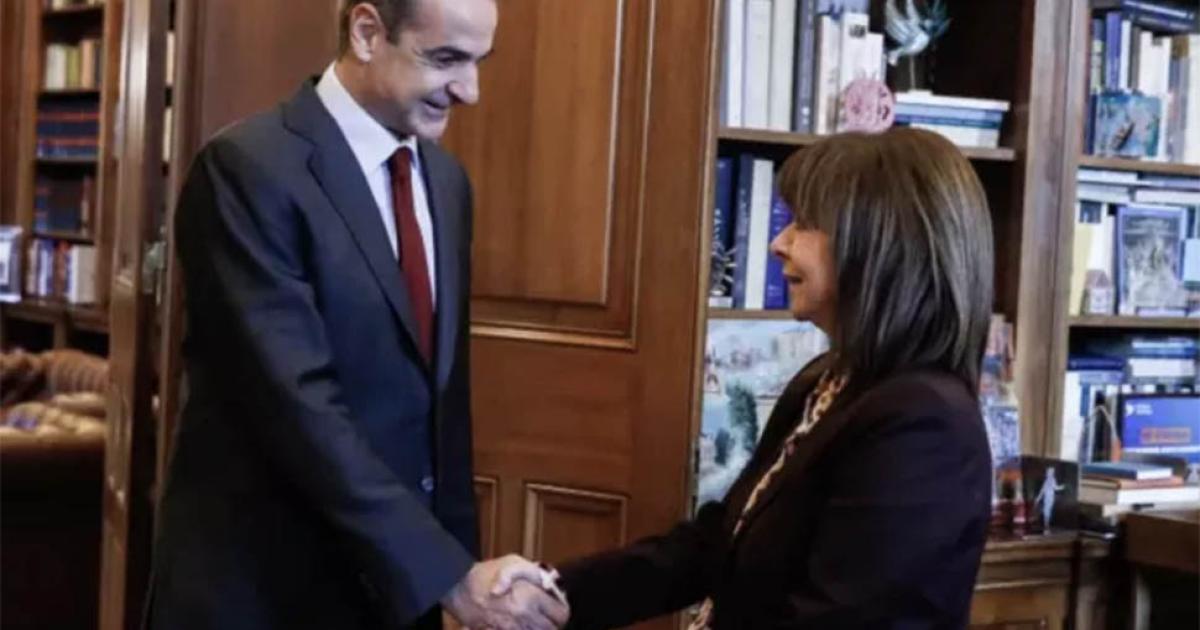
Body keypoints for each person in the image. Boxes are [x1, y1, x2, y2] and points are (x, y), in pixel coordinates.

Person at [146, 1, 566, 629]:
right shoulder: (247, 170)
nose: (470, 91)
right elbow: (297, 407)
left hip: (395, 598)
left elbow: (442, 410)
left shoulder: (447, 182)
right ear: (367, 33)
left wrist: (462, 578)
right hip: (266, 597)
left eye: (479, 62)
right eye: (446, 59)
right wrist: (449, 577)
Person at [497, 128, 996, 629]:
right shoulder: (825, 381)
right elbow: (720, 541)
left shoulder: (925, 426)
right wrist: (556, 592)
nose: (779, 243)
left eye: (805, 225)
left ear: (879, 246)